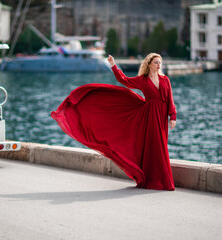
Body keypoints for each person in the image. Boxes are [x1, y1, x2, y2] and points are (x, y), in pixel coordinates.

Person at [51, 53, 177, 190]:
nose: (159, 65)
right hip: (150, 116)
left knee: (161, 146)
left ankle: (164, 181)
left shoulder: (165, 80)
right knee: (153, 147)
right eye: (156, 62)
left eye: (160, 63)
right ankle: (154, 181)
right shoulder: (143, 80)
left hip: (162, 116)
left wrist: (173, 116)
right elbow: (124, 80)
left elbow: (170, 99)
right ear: (149, 64)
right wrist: (113, 65)